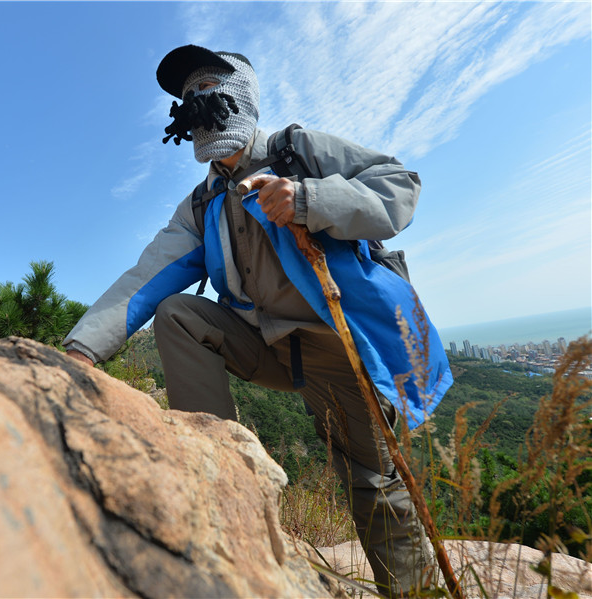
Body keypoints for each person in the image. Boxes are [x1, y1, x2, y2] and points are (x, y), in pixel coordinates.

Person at [64, 44, 451, 597]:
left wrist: (309, 198)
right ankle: (217, 464)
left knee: (369, 477)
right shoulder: (203, 204)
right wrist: (82, 349)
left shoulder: (299, 152)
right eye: (186, 95)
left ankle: (413, 591)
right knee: (178, 313)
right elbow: (147, 275)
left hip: (335, 344)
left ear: (241, 97)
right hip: (265, 344)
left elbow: (400, 185)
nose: (196, 101)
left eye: (210, 89)